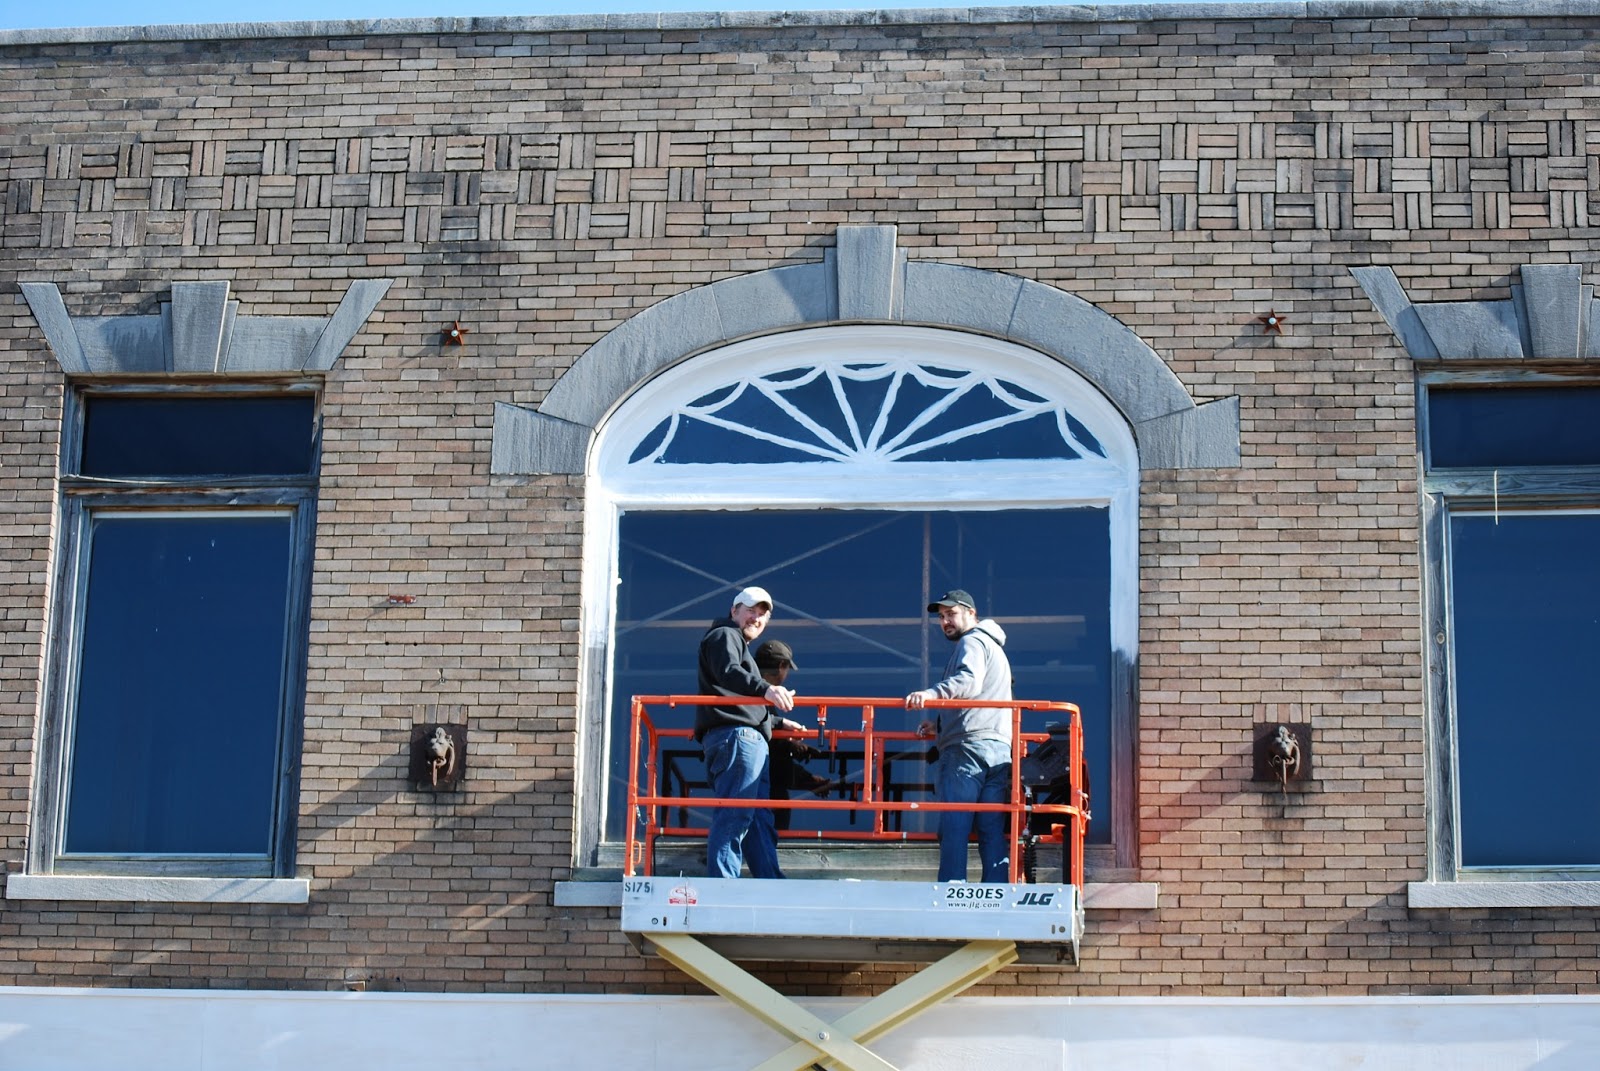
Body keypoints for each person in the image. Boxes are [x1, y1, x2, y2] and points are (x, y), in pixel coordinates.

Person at [696, 586, 807, 879]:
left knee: (758, 818)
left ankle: (770, 882)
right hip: (737, 739)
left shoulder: (736, 642)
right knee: (737, 814)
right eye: (750, 611)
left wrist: (778, 724)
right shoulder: (724, 635)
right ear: (734, 611)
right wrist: (767, 689)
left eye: (762, 615)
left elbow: (741, 698)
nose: (755, 619)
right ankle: (722, 886)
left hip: (747, 739)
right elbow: (729, 673)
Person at [905, 588, 1015, 883]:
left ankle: (951, 891)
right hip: (997, 749)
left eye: (951, 614)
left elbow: (968, 681)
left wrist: (931, 695)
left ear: (971, 614)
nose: (945, 621)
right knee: (990, 828)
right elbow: (982, 699)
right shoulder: (994, 647)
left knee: (955, 823)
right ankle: (997, 891)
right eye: (941, 617)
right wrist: (940, 724)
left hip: (967, 751)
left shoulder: (972, 641)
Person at [755, 640, 831, 831]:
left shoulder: (749, 687)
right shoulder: (760, 694)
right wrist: (791, 745)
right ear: (782, 666)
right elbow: (767, 744)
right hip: (763, 783)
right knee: (771, 830)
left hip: (754, 778)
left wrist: (806, 777)